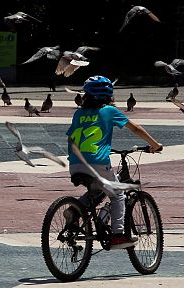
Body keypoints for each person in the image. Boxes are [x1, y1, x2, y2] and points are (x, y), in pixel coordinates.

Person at [66, 75, 162, 249]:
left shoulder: (78, 113)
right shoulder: (109, 111)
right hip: (97, 162)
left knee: (96, 190)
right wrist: (155, 145)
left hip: (74, 163)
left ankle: (74, 210)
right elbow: (135, 128)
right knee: (118, 194)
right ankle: (118, 235)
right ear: (108, 94)